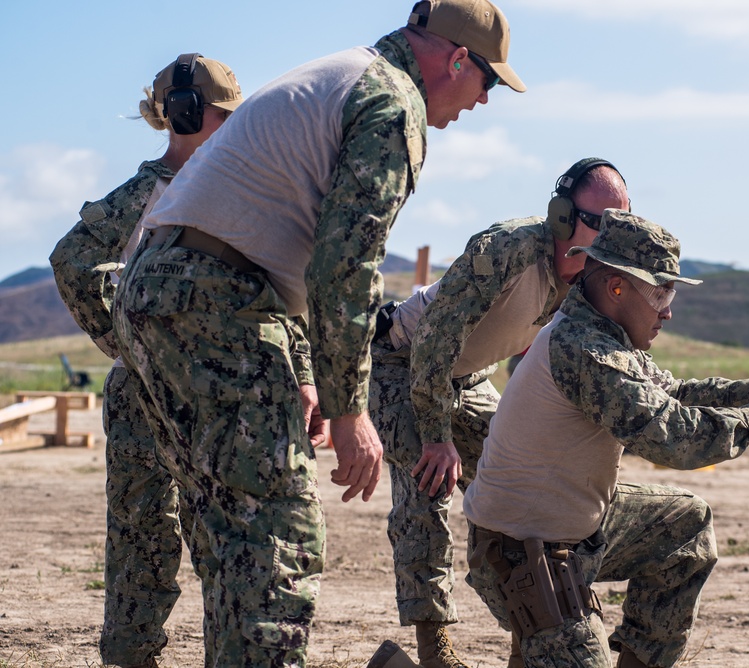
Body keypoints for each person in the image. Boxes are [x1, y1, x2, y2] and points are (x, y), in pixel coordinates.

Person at [110, 1, 525, 665]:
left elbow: (290, 250)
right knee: (278, 539)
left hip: (160, 295)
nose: (484, 102)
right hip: (217, 302)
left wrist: (301, 368)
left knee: (233, 534)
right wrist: (349, 407)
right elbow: (346, 265)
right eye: (490, 83)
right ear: (455, 60)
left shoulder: (342, 71)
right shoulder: (391, 103)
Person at [461, 209, 749, 667]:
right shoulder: (586, 350)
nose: (669, 309)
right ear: (616, 287)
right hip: (523, 562)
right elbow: (674, 438)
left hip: (570, 537)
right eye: (661, 292)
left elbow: (673, 394)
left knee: (684, 525)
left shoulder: (605, 335)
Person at [368, 158, 629, 666]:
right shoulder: (508, 250)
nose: (606, 239)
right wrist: (437, 436)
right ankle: (433, 647)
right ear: (561, 216)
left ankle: (527, 642)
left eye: (619, 227)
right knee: (428, 486)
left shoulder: (589, 282)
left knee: (523, 488)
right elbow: (435, 342)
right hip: (404, 365)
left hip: (468, 377)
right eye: (598, 223)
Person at [48, 54, 242, 668]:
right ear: (181, 114)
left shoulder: (242, 191)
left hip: (218, 392)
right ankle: (132, 657)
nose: (229, 126)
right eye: (219, 114)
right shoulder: (145, 194)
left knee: (224, 535)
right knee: (141, 534)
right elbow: (73, 259)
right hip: (145, 392)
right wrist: (127, 341)